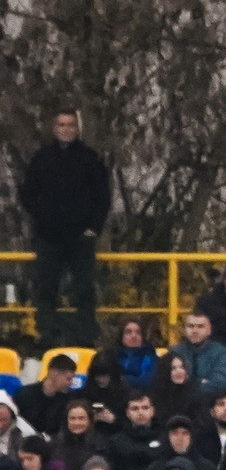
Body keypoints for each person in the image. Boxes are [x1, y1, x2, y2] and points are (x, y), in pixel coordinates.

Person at [19, 110, 111, 344]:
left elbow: (103, 198)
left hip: (81, 239)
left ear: (76, 128)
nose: (66, 129)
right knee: (46, 288)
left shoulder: (90, 158)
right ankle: (47, 336)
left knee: (84, 289)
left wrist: (93, 229)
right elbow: (27, 193)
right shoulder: (42, 158)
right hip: (49, 238)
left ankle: (87, 338)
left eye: (70, 125)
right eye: (61, 124)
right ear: (54, 127)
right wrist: (42, 217)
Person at [143, 417, 218, 470]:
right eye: (175, 433)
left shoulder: (207, 469)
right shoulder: (155, 469)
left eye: (185, 433)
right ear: (167, 437)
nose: (180, 438)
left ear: (192, 437)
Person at [106, 391, 164, 470]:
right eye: (135, 408)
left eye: (145, 408)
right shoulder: (115, 442)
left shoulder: (165, 438)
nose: (140, 412)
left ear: (153, 411)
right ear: (127, 413)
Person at [168, 312, 226, 396]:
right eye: (190, 326)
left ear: (209, 330)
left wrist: (188, 383)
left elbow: (220, 385)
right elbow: (168, 384)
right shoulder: (175, 352)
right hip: (180, 402)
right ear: (185, 329)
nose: (195, 331)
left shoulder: (222, 353)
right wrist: (201, 382)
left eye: (200, 326)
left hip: (211, 402)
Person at [17, 353, 77, 432]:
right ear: (54, 373)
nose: (71, 383)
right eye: (68, 379)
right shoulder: (25, 394)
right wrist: (46, 398)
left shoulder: (71, 399)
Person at [149, 353, 208, 426]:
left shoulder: (195, 392)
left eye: (182, 367)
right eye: (173, 368)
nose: (179, 371)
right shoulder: (156, 395)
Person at [103, 319, 159, 390]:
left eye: (138, 332)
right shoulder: (110, 356)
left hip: (143, 397)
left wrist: (122, 379)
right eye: (128, 332)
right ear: (121, 336)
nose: (134, 336)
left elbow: (148, 381)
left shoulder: (151, 357)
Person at [51, 400, 101, 470]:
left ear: (89, 421)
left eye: (81, 418)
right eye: (72, 418)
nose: (77, 423)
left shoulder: (101, 445)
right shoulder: (55, 444)